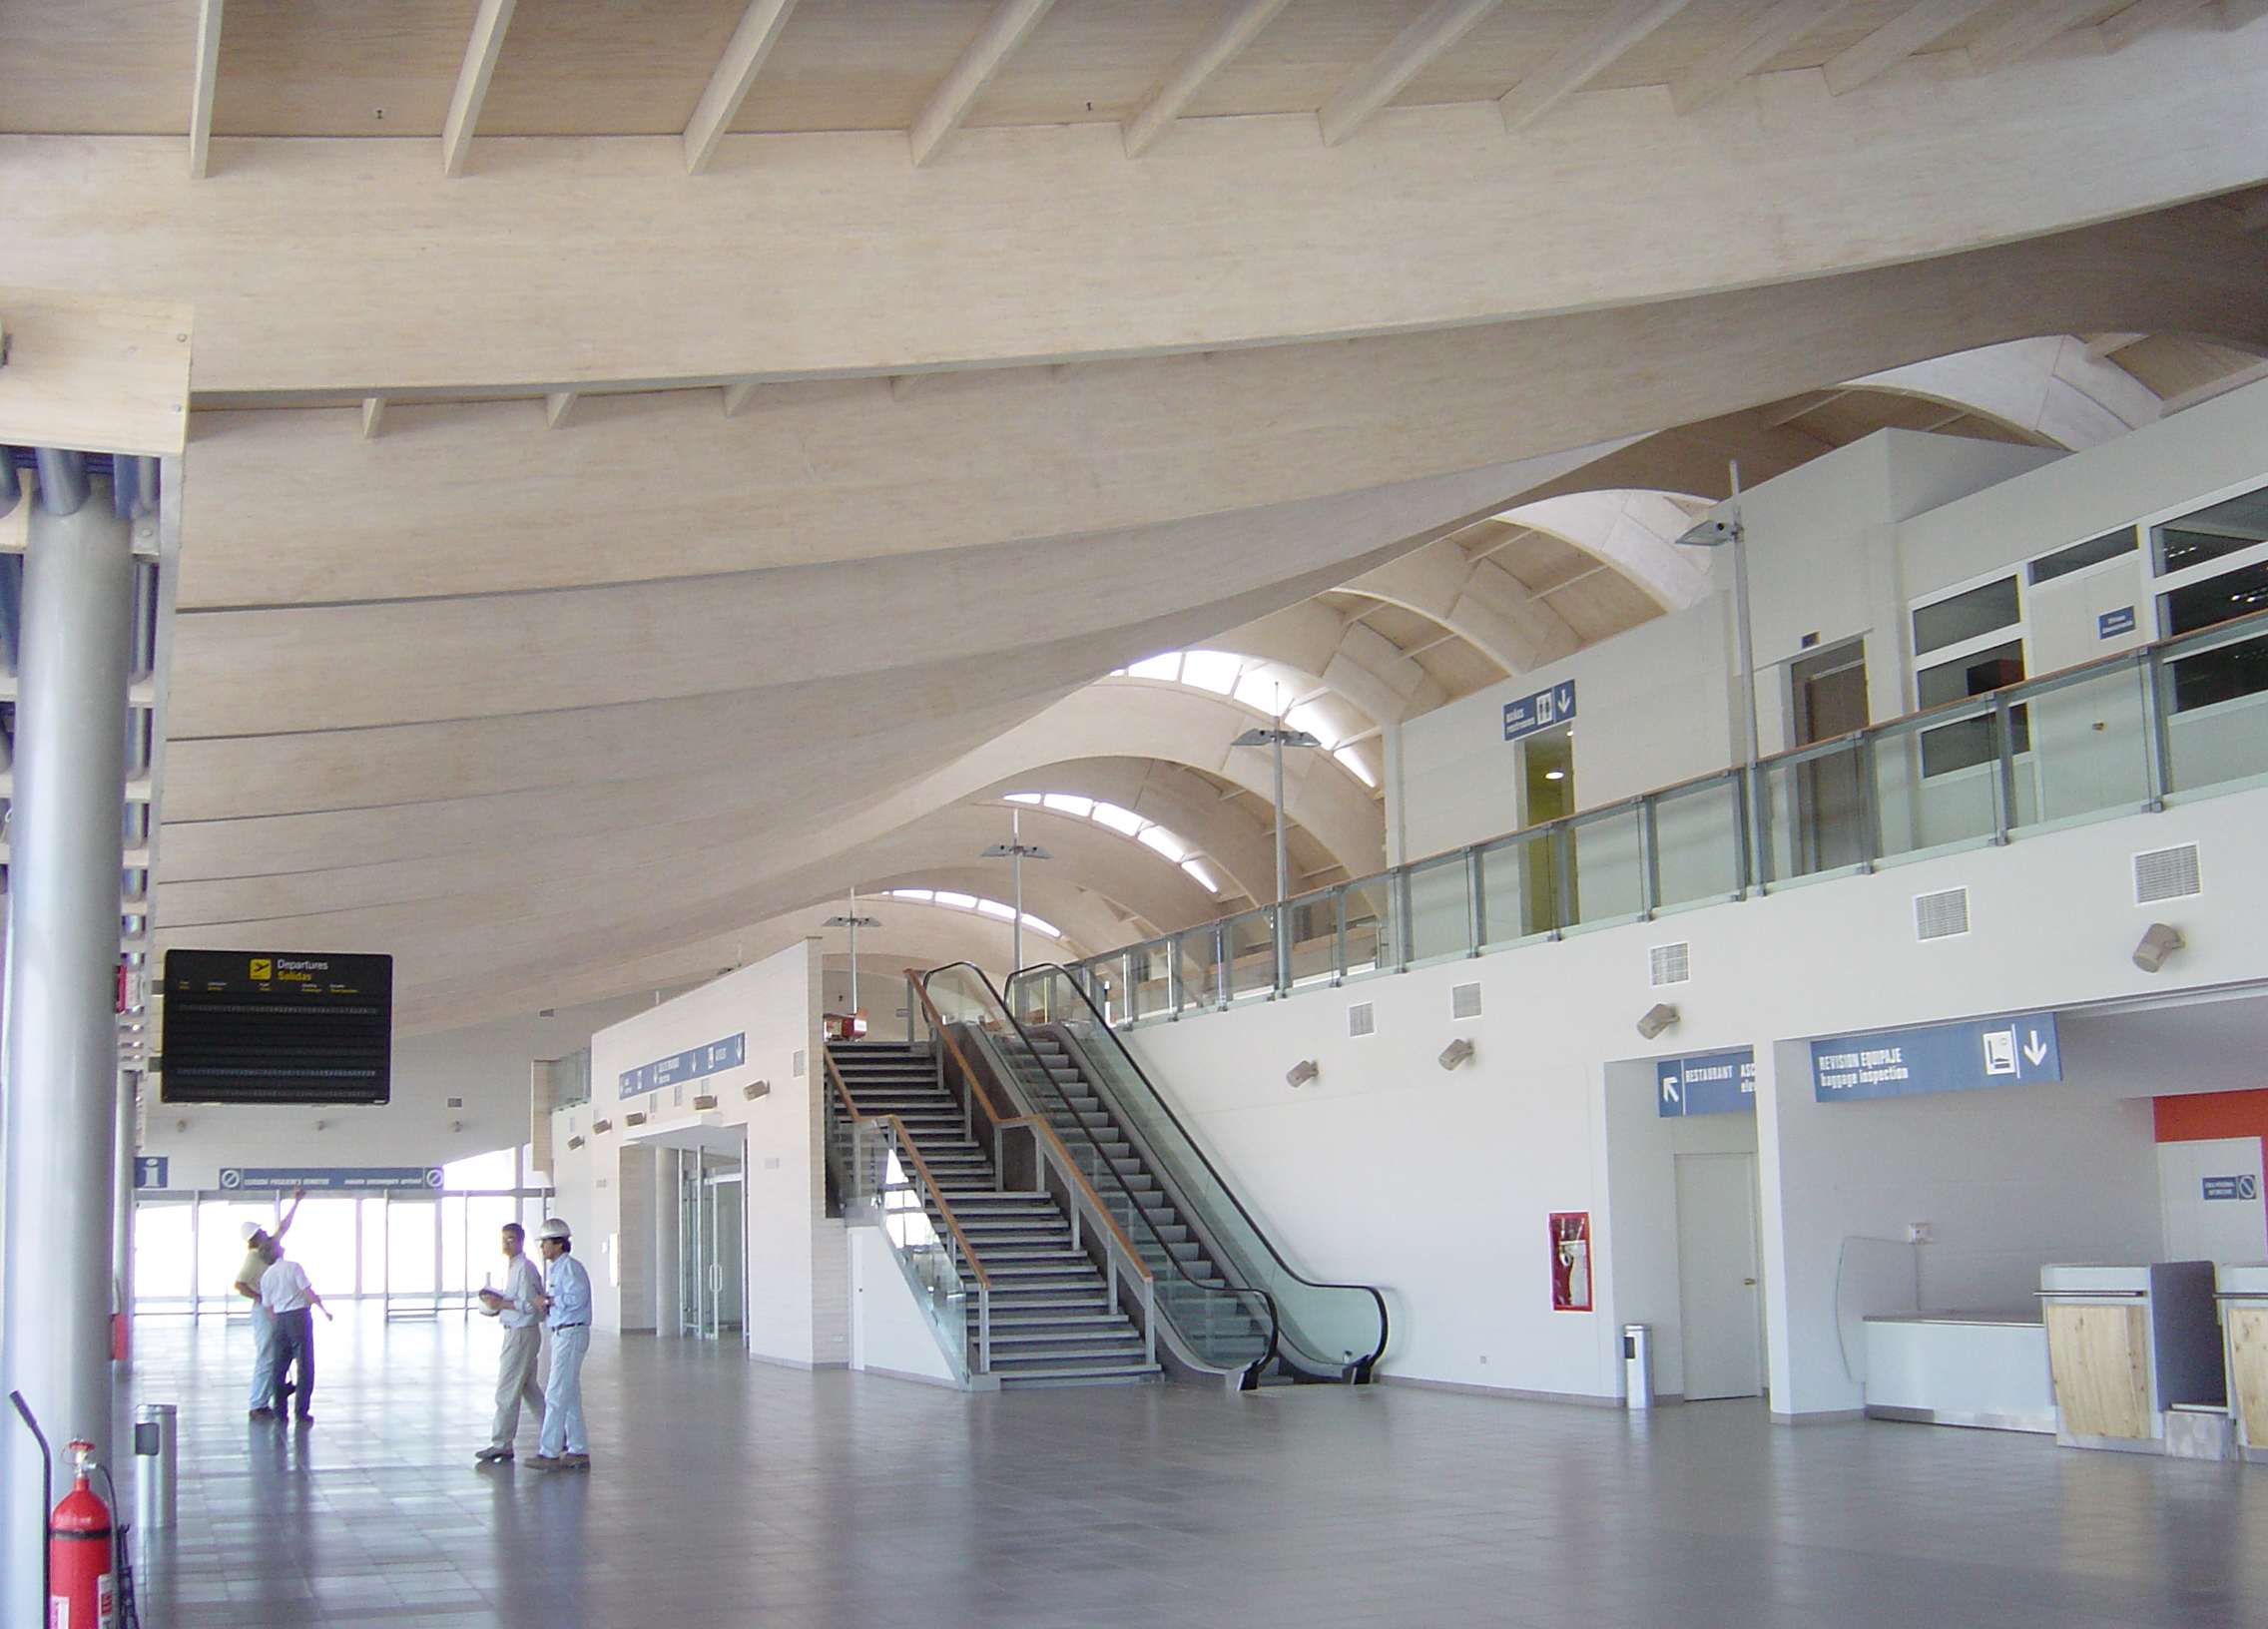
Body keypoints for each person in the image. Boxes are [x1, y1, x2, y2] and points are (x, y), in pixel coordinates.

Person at [474, 1222, 546, 1464]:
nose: (506, 1244)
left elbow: (529, 1304)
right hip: (519, 1331)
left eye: (511, 1239)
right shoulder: (515, 1268)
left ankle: (501, 1443)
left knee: (507, 1389)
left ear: (521, 1241)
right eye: (504, 1239)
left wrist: (500, 1305)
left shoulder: (523, 1269)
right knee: (528, 1388)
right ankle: (557, 1432)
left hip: (521, 1333)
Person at [237, 1188, 306, 1420]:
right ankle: (257, 1404)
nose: (267, 1231)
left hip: (272, 1308)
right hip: (264, 1310)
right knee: (267, 1354)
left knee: (277, 1351)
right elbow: (239, 1284)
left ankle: (272, 1394)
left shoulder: (267, 1248)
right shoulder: (255, 1256)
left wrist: (296, 1203)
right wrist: (260, 1298)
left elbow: (284, 1226)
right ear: (255, 1237)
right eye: (261, 1230)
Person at [528, 1218, 591, 1471]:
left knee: (555, 1394)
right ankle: (578, 1448)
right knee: (570, 1395)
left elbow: (576, 1298)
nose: (542, 1247)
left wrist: (549, 1301)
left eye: (545, 1243)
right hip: (562, 1333)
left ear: (558, 1244)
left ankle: (549, 1452)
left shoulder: (570, 1268)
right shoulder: (557, 1269)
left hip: (571, 1333)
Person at [259, 1239, 331, 1424]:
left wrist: (276, 1324)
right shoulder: (293, 1267)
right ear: (277, 1250)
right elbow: (307, 1292)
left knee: (279, 1367)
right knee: (305, 1364)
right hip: (298, 1317)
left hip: (280, 1320)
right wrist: (323, 1309)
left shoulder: (266, 1276)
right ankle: (301, 1411)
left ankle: (280, 1411)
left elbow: (268, 1307)